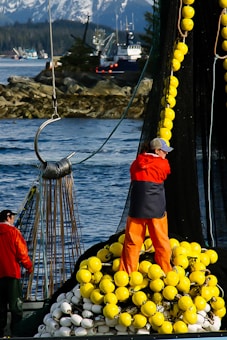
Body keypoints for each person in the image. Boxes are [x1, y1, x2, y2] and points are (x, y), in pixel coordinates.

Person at [119, 137, 173, 275]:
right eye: (164, 151)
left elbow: (133, 174)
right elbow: (165, 173)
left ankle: (128, 272)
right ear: (157, 150)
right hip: (156, 208)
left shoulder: (137, 162)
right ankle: (166, 270)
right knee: (161, 241)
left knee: (132, 241)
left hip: (137, 208)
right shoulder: (163, 164)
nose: (166, 154)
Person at [0, 209, 33, 337]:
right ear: (8, 217)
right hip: (12, 274)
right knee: (16, 306)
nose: (13, 219)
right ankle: (16, 333)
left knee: (0, 306)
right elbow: (22, 253)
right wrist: (29, 267)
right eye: (12, 217)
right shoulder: (13, 232)